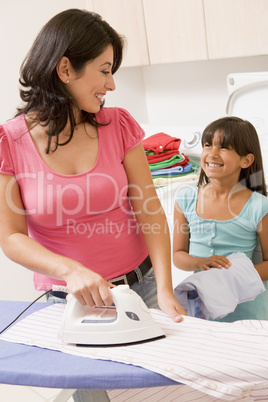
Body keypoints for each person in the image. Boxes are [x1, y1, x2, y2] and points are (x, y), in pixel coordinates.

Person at [0, 8, 186, 402]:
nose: (112, 84)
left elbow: (149, 210)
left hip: (143, 290)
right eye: (104, 70)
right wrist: (70, 270)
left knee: (165, 393)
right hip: (70, 305)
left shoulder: (118, 125)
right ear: (65, 69)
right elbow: (11, 237)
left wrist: (166, 287)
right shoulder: (9, 143)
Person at [173, 116, 268, 322]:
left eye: (224, 147)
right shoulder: (185, 199)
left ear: (246, 160)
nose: (212, 153)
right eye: (207, 145)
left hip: (246, 314)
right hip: (200, 307)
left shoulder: (259, 206)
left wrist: (226, 279)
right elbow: (178, 255)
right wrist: (200, 262)